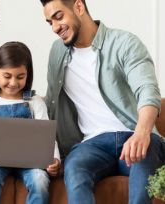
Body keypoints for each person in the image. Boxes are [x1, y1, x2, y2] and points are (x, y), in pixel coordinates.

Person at [39, 0, 165, 204]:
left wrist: (142, 133)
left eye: (59, 17)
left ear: (79, 7)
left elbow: (147, 90)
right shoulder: (57, 52)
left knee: (144, 161)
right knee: (75, 169)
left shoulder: (124, 42)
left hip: (134, 136)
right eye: (49, 22)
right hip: (90, 145)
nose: (54, 28)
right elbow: (52, 105)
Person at [0, 41, 61, 204]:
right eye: (7, 76)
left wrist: (55, 159)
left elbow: (47, 137)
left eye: (20, 77)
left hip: (31, 162)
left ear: (28, 74)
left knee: (40, 180)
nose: (13, 82)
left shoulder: (35, 102)